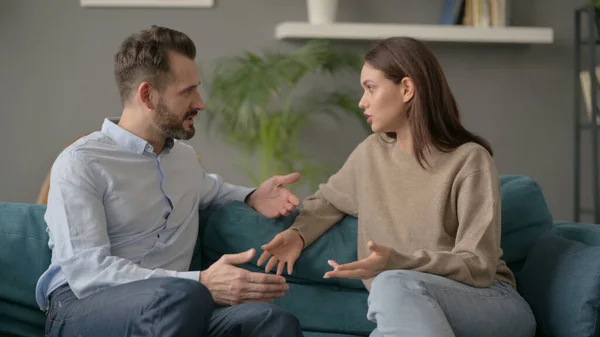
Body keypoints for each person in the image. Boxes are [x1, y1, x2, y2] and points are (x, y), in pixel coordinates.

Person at [36, 25, 305, 337]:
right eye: (187, 91)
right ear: (147, 95)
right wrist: (201, 282)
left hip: (178, 310)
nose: (200, 103)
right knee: (182, 296)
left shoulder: (184, 160)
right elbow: (88, 273)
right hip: (82, 308)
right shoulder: (81, 163)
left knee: (270, 320)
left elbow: (213, 189)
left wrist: (254, 195)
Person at [257, 37, 536, 337]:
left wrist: (398, 263)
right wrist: (299, 234)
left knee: (389, 283)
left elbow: (479, 266)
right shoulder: (370, 155)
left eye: (370, 88)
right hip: (410, 308)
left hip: (488, 301)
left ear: (406, 88)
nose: (361, 101)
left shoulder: (469, 160)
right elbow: (328, 200)